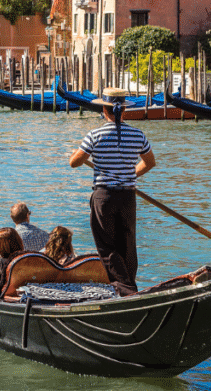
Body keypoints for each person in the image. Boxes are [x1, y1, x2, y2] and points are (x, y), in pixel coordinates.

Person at [69, 87, 157, 296]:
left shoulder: (95, 134)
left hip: (104, 197)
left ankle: (125, 289)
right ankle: (129, 286)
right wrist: (129, 175)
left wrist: (77, 152)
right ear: (123, 110)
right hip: (127, 196)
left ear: (104, 110)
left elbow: (74, 163)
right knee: (128, 243)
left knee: (107, 246)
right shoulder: (137, 134)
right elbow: (150, 163)